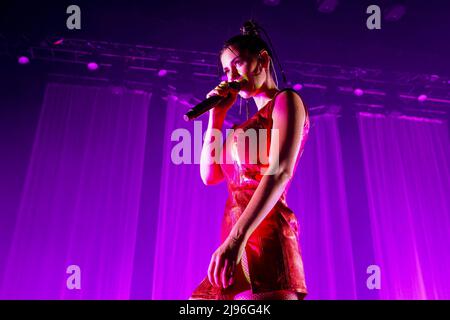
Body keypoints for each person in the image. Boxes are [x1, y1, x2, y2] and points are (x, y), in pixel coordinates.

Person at [189, 20, 310, 300]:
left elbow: (279, 172)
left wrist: (236, 240)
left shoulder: (286, 101)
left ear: (262, 60)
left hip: (265, 238)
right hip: (236, 240)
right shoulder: (239, 130)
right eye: (226, 71)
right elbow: (209, 176)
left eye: (238, 64)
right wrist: (215, 118)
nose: (231, 76)